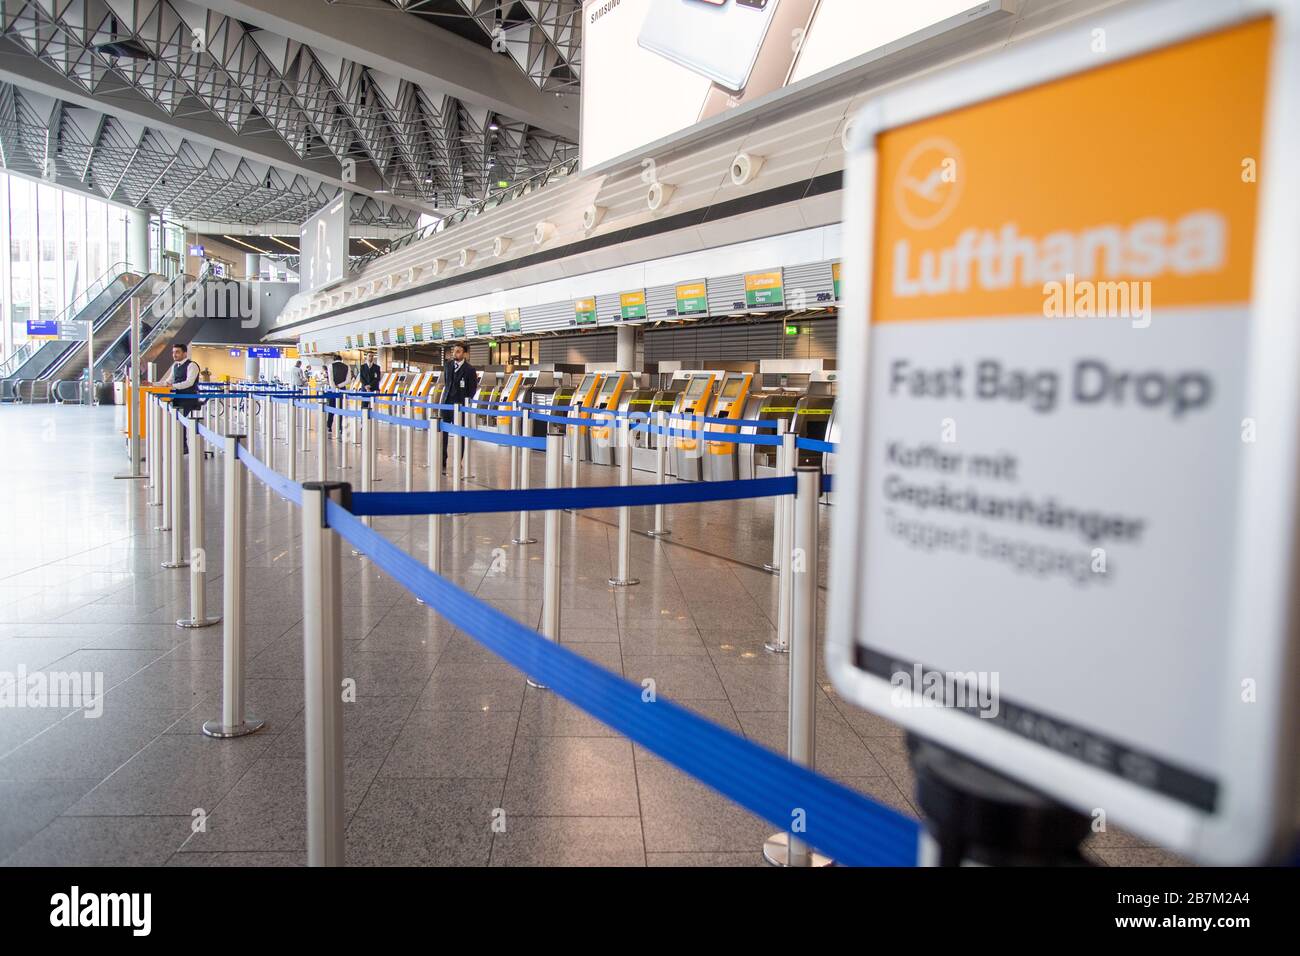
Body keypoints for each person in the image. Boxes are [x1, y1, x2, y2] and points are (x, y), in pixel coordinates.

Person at [439, 344, 478, 472]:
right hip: (446, 404)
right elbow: (447, 383)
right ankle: (442, 459)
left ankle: (458, 460)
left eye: (459, 351)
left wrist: (464, 402)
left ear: (464, 354)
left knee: (459, 434)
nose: (455, 353)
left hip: (460, 406)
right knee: (443, 433)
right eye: (454, 351)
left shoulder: (470, 370)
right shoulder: (448, 365)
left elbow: (472, 390)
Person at [169, 342, 201, 454]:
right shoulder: (175, 366)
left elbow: (189, 382)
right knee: (175, 419)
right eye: (173, 352)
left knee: (180, 419)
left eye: (177, 352)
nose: (174, 354)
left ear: (185, 353)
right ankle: (179, 444)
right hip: (177, 397)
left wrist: (172, 386)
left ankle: (183, 446)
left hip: (189, 398)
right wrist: (153, 384)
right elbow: (169, 381)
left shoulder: (192, 365)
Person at [325, 353, 351, 438]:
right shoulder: (347, 366)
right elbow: (348, 380)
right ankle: (340, 428)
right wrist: (339, 386)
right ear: (341, 359)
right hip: (342, 390)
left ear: (334, 359)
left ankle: (329, 426)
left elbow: (331, 379)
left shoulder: (330, 366)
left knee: (331, 408)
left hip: (332, 391)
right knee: (341, 410)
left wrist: (334, 388)